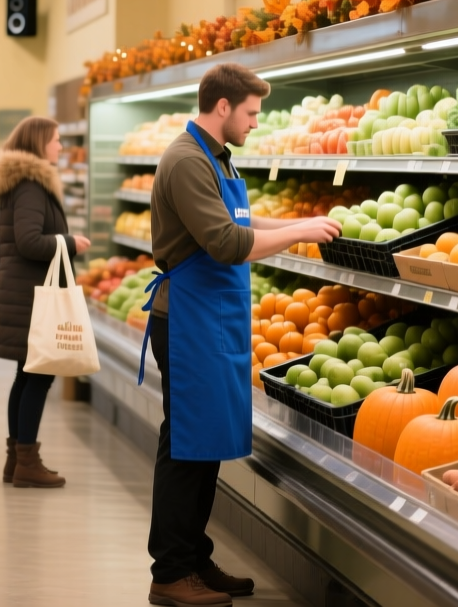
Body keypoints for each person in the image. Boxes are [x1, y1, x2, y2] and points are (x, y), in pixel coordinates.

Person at [140, 64, 341, 607]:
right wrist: (298, 232)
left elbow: (244, 223)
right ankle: (170, 572)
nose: (256, 122)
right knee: (186, 445)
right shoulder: (186, 160)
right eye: (251, 113)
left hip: (213, 314)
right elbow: (227, 243)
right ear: (223, 106)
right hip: (188, 318)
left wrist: (301, 225)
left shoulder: (218, 156)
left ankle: (194, 559)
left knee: (204, 444)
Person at [0, 116, 89, 489]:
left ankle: (17, 460)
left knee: (25, 376)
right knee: (38, 378)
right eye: (56, 140)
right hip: (31, 297)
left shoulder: (21, 182)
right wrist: (69, 242)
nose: (60, 146)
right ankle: (26, 461)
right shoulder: (31, 185)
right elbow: (28, 241)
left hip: (23, 293)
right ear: (38, 142)